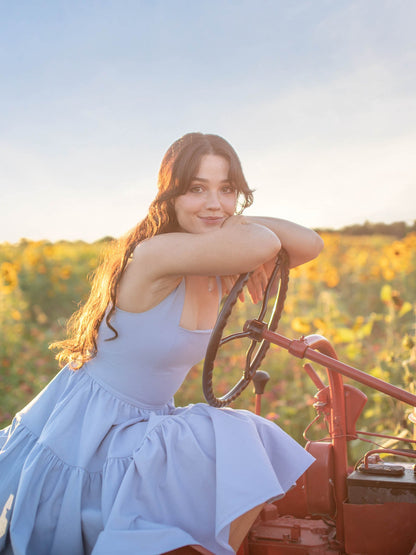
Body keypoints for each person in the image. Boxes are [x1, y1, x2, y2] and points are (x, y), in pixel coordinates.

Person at [0, 132, 324, 555]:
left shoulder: (213, 263)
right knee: (239, 435)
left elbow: (310, 244)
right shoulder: (158, 254)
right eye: (196, 189)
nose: (214, 203)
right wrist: (243, 234)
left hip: (142, 426)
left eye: (227, 189)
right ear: (169, 195)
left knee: (238, 440)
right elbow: (264, 243)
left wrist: (239, 235)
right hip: (90, 432)